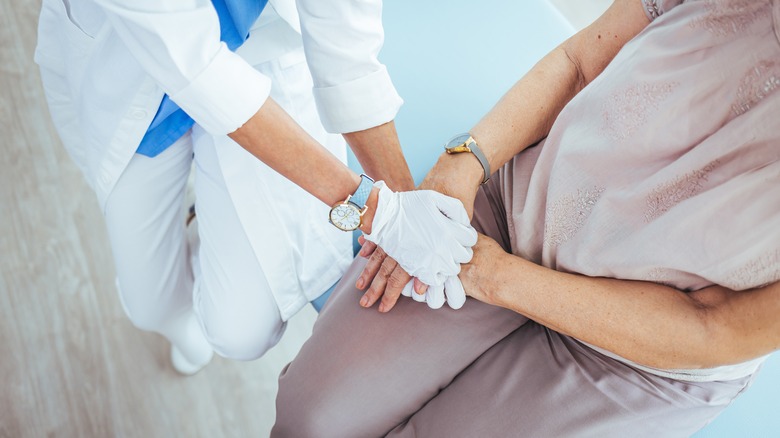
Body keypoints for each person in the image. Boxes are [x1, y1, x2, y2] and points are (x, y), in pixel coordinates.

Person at [273, 0, 780, 435]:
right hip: (512, 210)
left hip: (640, 357)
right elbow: (579, 61)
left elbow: (714, 327)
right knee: (308, 421)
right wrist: (460, 166)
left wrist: (489, 274)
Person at [34, 0, 476, 375]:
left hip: (265, 40)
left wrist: (406, 208)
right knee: (151, 305)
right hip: (140, 69)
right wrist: (376, 208)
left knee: (240, 332)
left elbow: (346, 48)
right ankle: (192, 252)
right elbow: (198, 69)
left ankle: (202, 220)